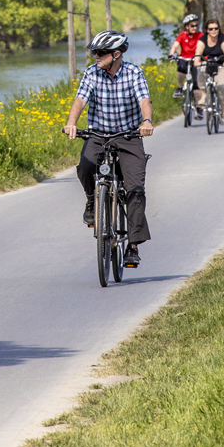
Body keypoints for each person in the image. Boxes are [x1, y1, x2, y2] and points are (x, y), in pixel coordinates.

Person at [63, 31, 154, 269]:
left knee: (135, 189)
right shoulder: (92, 73)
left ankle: (132, 246)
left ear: (116, 54)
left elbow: (144, 99)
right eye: (94, 52)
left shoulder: (134, 73)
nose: (95, 56)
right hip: (98, 134)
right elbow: (80, 100)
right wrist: (72, 122)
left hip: (128, 136)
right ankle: (93, 201)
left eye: (101, 52)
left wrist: (146, 121)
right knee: (85, 166)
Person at [194, 18, 224, 116]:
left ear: (219, 29)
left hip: (221, 65)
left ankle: (223, 114)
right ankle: (203, 96)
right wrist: (197, 61)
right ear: (207, 30)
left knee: (222, 87)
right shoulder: (203, 39)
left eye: (216, 28)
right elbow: (198, 52)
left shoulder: (223, 38)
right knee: (200, 71)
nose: (214, 31)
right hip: (208, 64)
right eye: (211, 29)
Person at [169, 13, 202, 98]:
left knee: (196, 84)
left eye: (196, 26)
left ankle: (199, 107)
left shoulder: (200, 35)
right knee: (180, 67)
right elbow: (175, 45)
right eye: (192, 26)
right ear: (187, 27)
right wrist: (171, 54)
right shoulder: (182, 35)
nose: (195, 28)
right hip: (185, 58)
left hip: (196, 60)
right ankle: (180, 88)